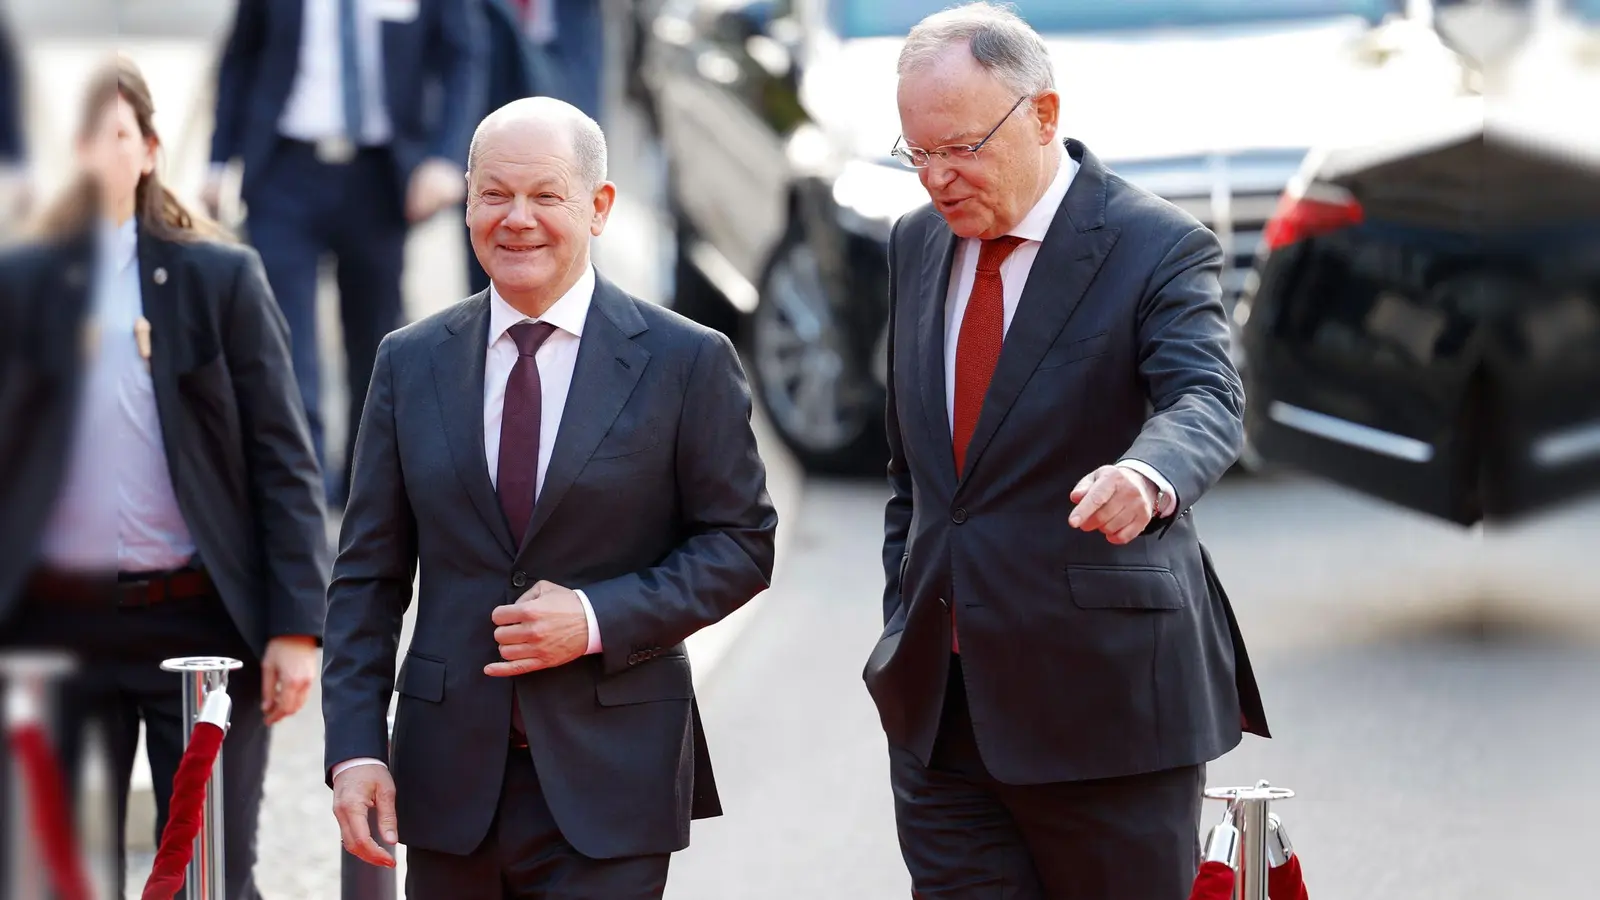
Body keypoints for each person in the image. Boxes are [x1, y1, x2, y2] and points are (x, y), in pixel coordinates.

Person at [321, 96, 777, 898]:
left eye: (545, 196)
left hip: (613, 778)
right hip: (447, 783)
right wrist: (356, 750)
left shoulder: (686, 362)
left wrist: (597, 618)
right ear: (467, 203)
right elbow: (367, 579)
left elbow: (740, 544)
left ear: (599, 207)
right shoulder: (409, 362)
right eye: (494, 195)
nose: (517, 220)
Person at [863, 5, 1270, 899]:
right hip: (943, 713)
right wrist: (903, 612)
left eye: (960, 147)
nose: (936, 177)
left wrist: (1147, 473)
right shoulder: (915, 243)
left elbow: (1207, 396)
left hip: (1106, 708)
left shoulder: (1155, 244)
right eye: (917, 152)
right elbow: (919, 474)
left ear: (1043, 115)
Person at [0, 55, 328, 899]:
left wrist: (296, 626)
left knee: (209, 872)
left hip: (196, 623)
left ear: (148, 147)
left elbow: (282, 460)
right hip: (55, 627)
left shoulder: (218, 279)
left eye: (114, 134)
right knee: (55, 874)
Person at [205, 0, 486, 505]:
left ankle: (365, 490)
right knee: (282, 340)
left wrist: (447, 158)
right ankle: (296, 495)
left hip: (379, 177)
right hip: (283, 171)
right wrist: (218, 159)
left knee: (377, 341)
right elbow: (241, 54)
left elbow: (463, 54)